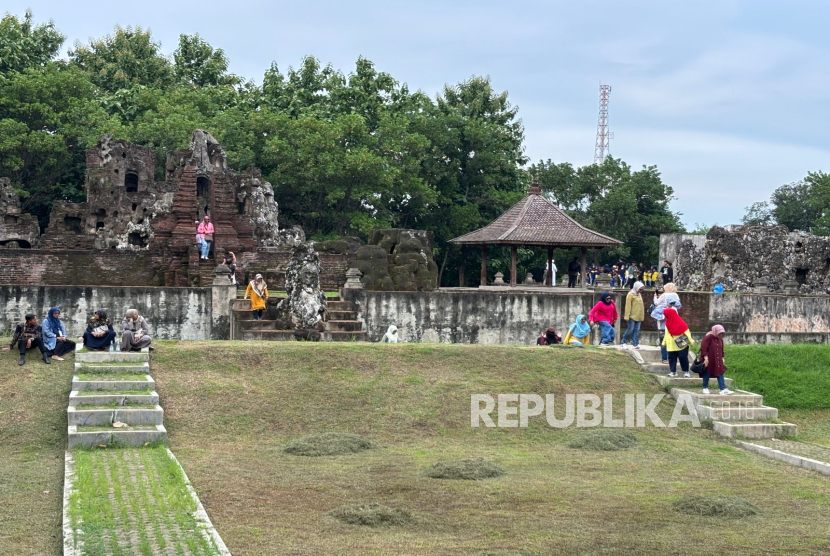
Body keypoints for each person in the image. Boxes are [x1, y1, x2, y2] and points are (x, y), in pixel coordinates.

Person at [651, 283, 682, 364]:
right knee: (671, 342)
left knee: (663, 341)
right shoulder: (675, 297)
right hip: (673, 326)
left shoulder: (664, 296)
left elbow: (656, 303)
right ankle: (672, 358)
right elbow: (679, 306)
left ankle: (664, 358)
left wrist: (655, 297)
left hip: (663, 325)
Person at [699, 324, 733, 394]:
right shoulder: (708, 338)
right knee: (707, 372)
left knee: (720, 373)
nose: (720, 334)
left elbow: (721, 349)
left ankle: (722, 388)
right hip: (709, 359)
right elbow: (704, 348)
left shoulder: (720, 339)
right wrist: (706, 358)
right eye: (719, 332)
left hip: (717, 359)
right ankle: (705, 387)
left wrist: (722, 358)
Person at [661, 307, 694, 378]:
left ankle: (686, 371)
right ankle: (673, 371)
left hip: (681, 344)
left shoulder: (681, 323)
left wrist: (691, 342)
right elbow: (666, 334)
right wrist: (664, 343)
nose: (665, 316)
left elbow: (687, 333)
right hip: (671, 345)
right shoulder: (667, 323)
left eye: (666, 314)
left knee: (683, 358)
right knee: (671, 358)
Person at [621, 281, 645, 349]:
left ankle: (635, 343)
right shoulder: (630, 294)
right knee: (630, 329)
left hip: (638, 315)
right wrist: (626, 316)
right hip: (632, 315)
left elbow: (641, 306)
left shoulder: (639, 294)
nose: (641, 291)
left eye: (642, 289)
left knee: (637, 330)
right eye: (640, 289)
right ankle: (623, 341)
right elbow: (628, 306)